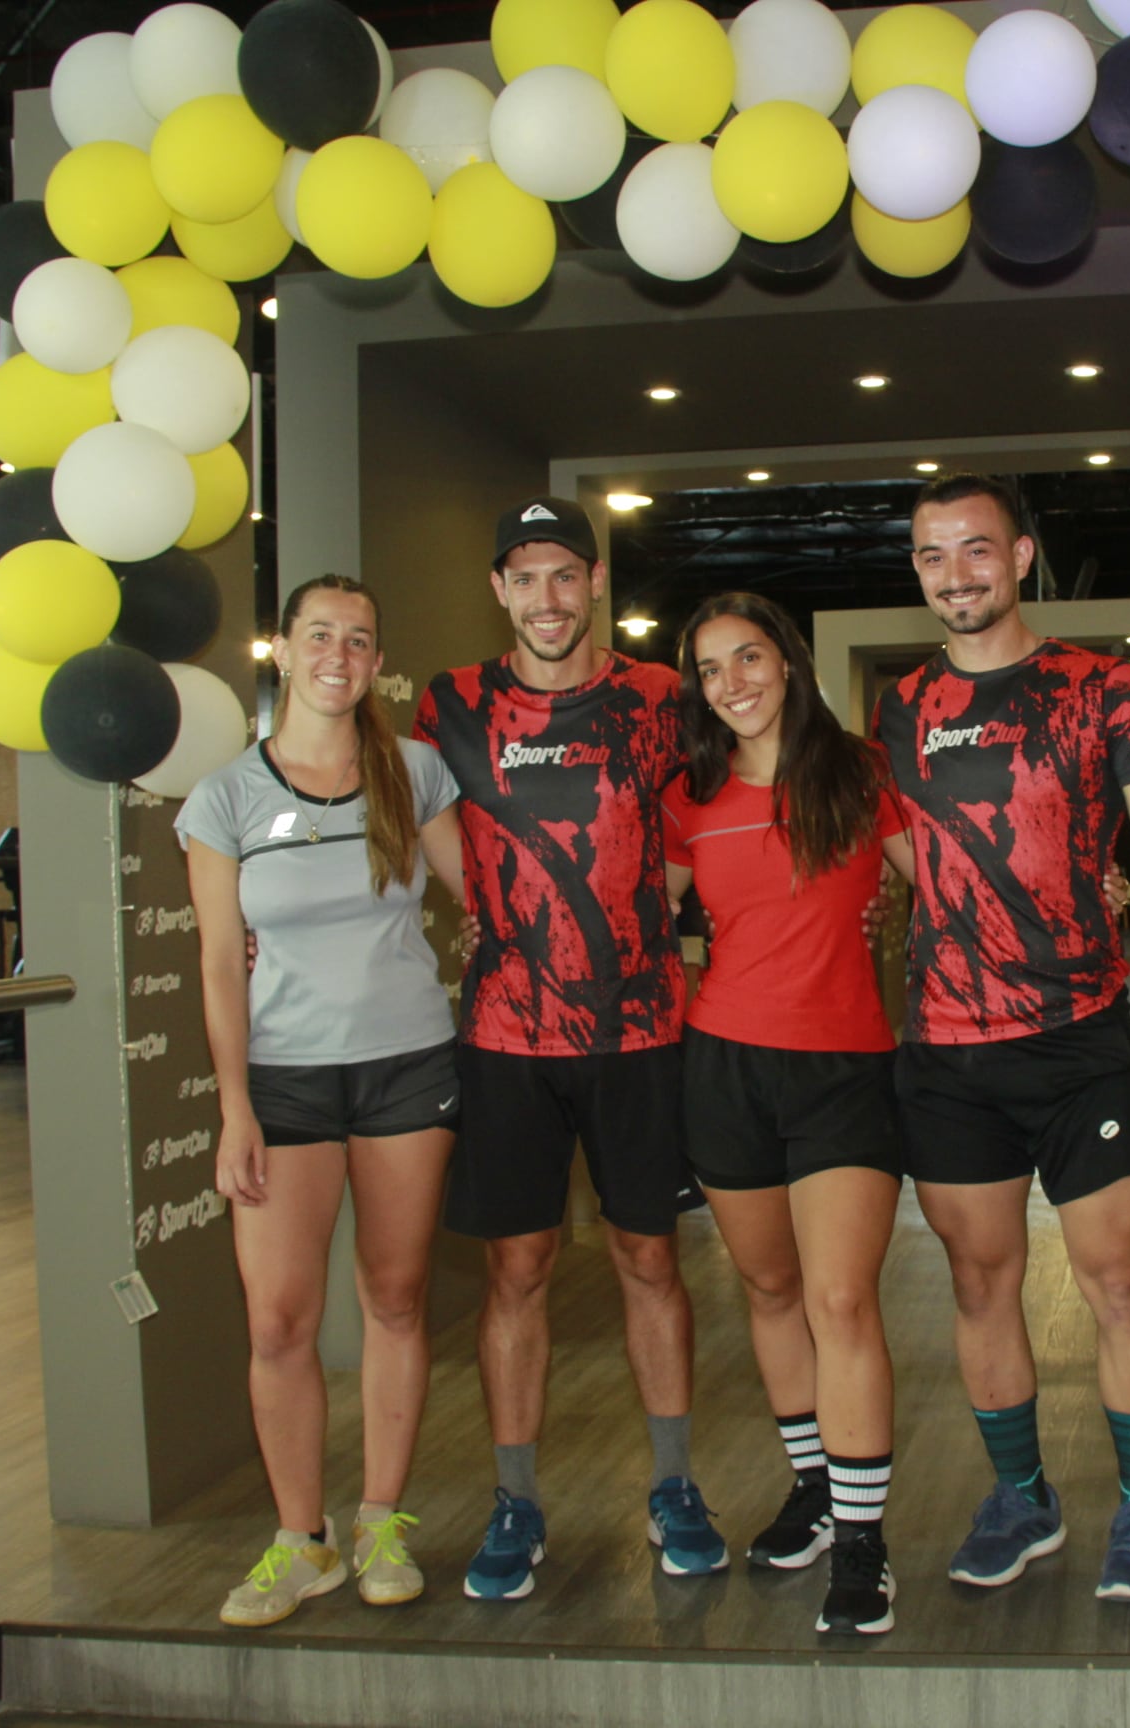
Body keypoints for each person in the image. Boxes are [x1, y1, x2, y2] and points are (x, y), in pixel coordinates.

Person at [872, 472, 1130, 1606]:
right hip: (946, 1052)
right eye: (934, 557)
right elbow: (904, 847)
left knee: (1117, 1278)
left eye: (977, 551)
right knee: (982, 1283)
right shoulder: (901, 709)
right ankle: (1023, 1496)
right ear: (917, 572)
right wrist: (976, 902)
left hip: (1082, 1041)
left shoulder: (1108, 690)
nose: (957, 575)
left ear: (1023, 556)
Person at [412, 496, 726, 1602]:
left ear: (594, 583)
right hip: (505, 1039)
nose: (547, 598)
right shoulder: (447, 704)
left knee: (650, 1259)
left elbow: (696, 836)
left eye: (565, 576)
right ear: (499, 588)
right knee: (519, 1268)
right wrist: (507, 921)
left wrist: (642, 925)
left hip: (642, 1032)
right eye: (525, 577)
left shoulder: (658, 699)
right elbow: (403, 818)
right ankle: (516, 1500)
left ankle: (675, 1487)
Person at [181, 575, 467, 1628]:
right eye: (319, 635)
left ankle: (380, 1521)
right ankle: (300, 1540)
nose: (339, 653)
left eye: (359, 635)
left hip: (406, 1066)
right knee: (278, 1320)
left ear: (374, 653)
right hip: (284, 1080)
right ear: (284, 648)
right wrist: (234, 1107)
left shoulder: (416, 774)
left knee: (395, 1300)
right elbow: (218, 962)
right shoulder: (224, 798)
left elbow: (483, 897)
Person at [662, 591, 911, 1636]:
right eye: (712, 669)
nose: (733, 683)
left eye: (749, 657)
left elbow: (941, 890)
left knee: (841, 1300)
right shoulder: (692, 793)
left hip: (845, 1070)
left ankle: (864, 1548)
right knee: (769, 1289)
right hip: (725, 1068)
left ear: (789, 663)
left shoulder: (859, 773)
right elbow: (648, 927)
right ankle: (815, 1487)